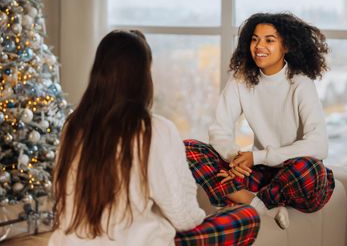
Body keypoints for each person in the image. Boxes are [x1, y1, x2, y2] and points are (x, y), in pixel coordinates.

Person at [50, 30, 259, 246]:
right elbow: (184, 216)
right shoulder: (153, 129)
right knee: (247, 216)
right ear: (142, 75)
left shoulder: (73, 125)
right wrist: (216, 213)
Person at [184, 12, 335, 229]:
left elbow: (319, 146)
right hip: (261, 175)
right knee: (188, 148)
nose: (259, 46)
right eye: (255, 39)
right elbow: (220, 129)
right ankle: (261, 205)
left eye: (269, 40)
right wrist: (235, 158)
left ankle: (251, 201)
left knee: (309, 169)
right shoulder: (241, 79)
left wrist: (256, 157)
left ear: (287, 46)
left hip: (293, 173)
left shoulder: (301, 83)